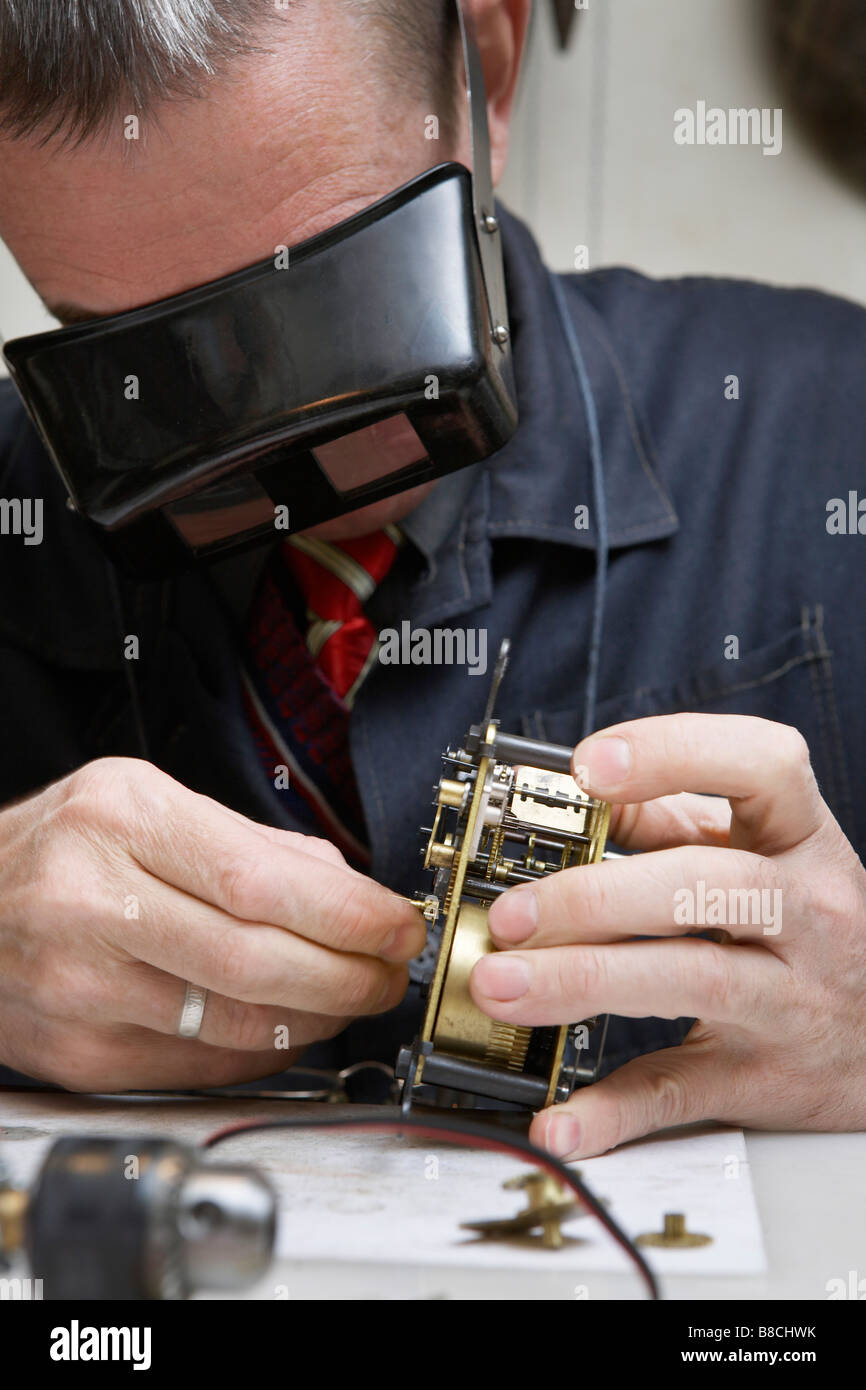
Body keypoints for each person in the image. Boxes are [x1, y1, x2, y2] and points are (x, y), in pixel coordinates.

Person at [0, 0, 864, 1162]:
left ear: (488, 69)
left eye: (326, 308)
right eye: (138, 371)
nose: (267, 453)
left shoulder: (829, 430)